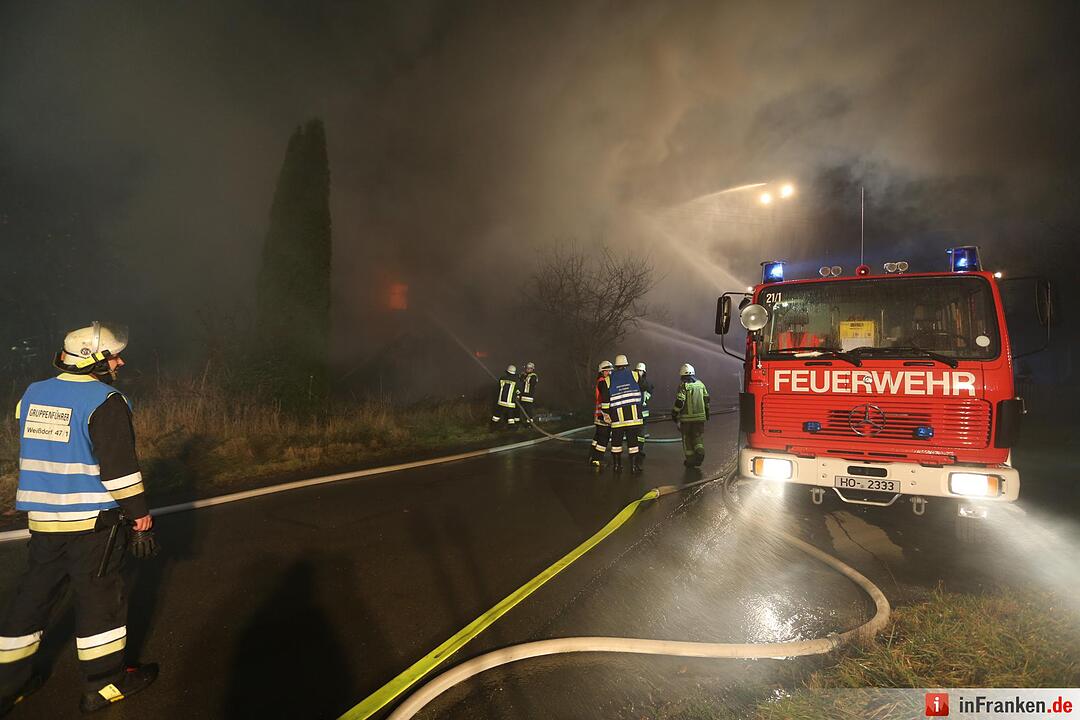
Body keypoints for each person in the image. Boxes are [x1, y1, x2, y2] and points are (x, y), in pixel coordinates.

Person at [0, 322, 158, 716]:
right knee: (99, 601)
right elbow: (119, 471)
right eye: (114, 355)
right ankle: (103, 685)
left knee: (32, 599)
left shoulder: (33, 393)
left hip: (42, 521)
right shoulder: (106, 401)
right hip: (91, 525)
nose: (120, 361)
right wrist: (139, 515)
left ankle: (8, 686)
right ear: (94, 359)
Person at [598, 354, 644, 473]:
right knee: (633, 442)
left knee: (616, 443)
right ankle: (633, 467)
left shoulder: (608, 380)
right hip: (633, 418)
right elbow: (645, 387)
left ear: (616, 366)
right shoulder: (635, 375)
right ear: (626, 365)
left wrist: (607, 415)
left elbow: (605, 402)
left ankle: (617, 466)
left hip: (617, 419)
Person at [672, 363, 710, 468]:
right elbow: (707, 399)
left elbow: (680, 401)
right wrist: (707, 413)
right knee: (697, 437)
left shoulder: (683, 386)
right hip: (700, 419)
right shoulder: (701, 385)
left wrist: (674, 413)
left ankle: (690, 461)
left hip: (686, 420)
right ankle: (700, 451)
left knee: (687, 440)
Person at [589, 360, 614, 469]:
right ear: (602, 371)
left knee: (598, 437)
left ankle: (592, 456)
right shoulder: (603, 382)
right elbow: (606, 399)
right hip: (603, 414)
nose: (609, 373)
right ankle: (597, 459)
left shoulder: (600, 381)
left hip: (599, 414)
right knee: (604, 438)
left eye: (610, 371)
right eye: (607, 371)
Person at [490, 364, 520, 430]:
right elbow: (518, 391)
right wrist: (517, 395)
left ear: (507, 372)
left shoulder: (502, 378)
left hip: (501, 401)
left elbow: (498, 388)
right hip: (510, 402)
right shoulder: (516, 381)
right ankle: (512, 428)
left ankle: (492, 427)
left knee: (497, 414)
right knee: (510, 416)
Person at [634, 361, 653, 453]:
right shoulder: (644, 384)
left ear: (644, 372)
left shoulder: (640, 383)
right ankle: (636, 451)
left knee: (641, 434)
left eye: (641, 371)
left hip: (642, 413)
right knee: (636, 433)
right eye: (638, 371)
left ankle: (639, 450)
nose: (639, 373)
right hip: (636, 412)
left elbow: (648, 394)